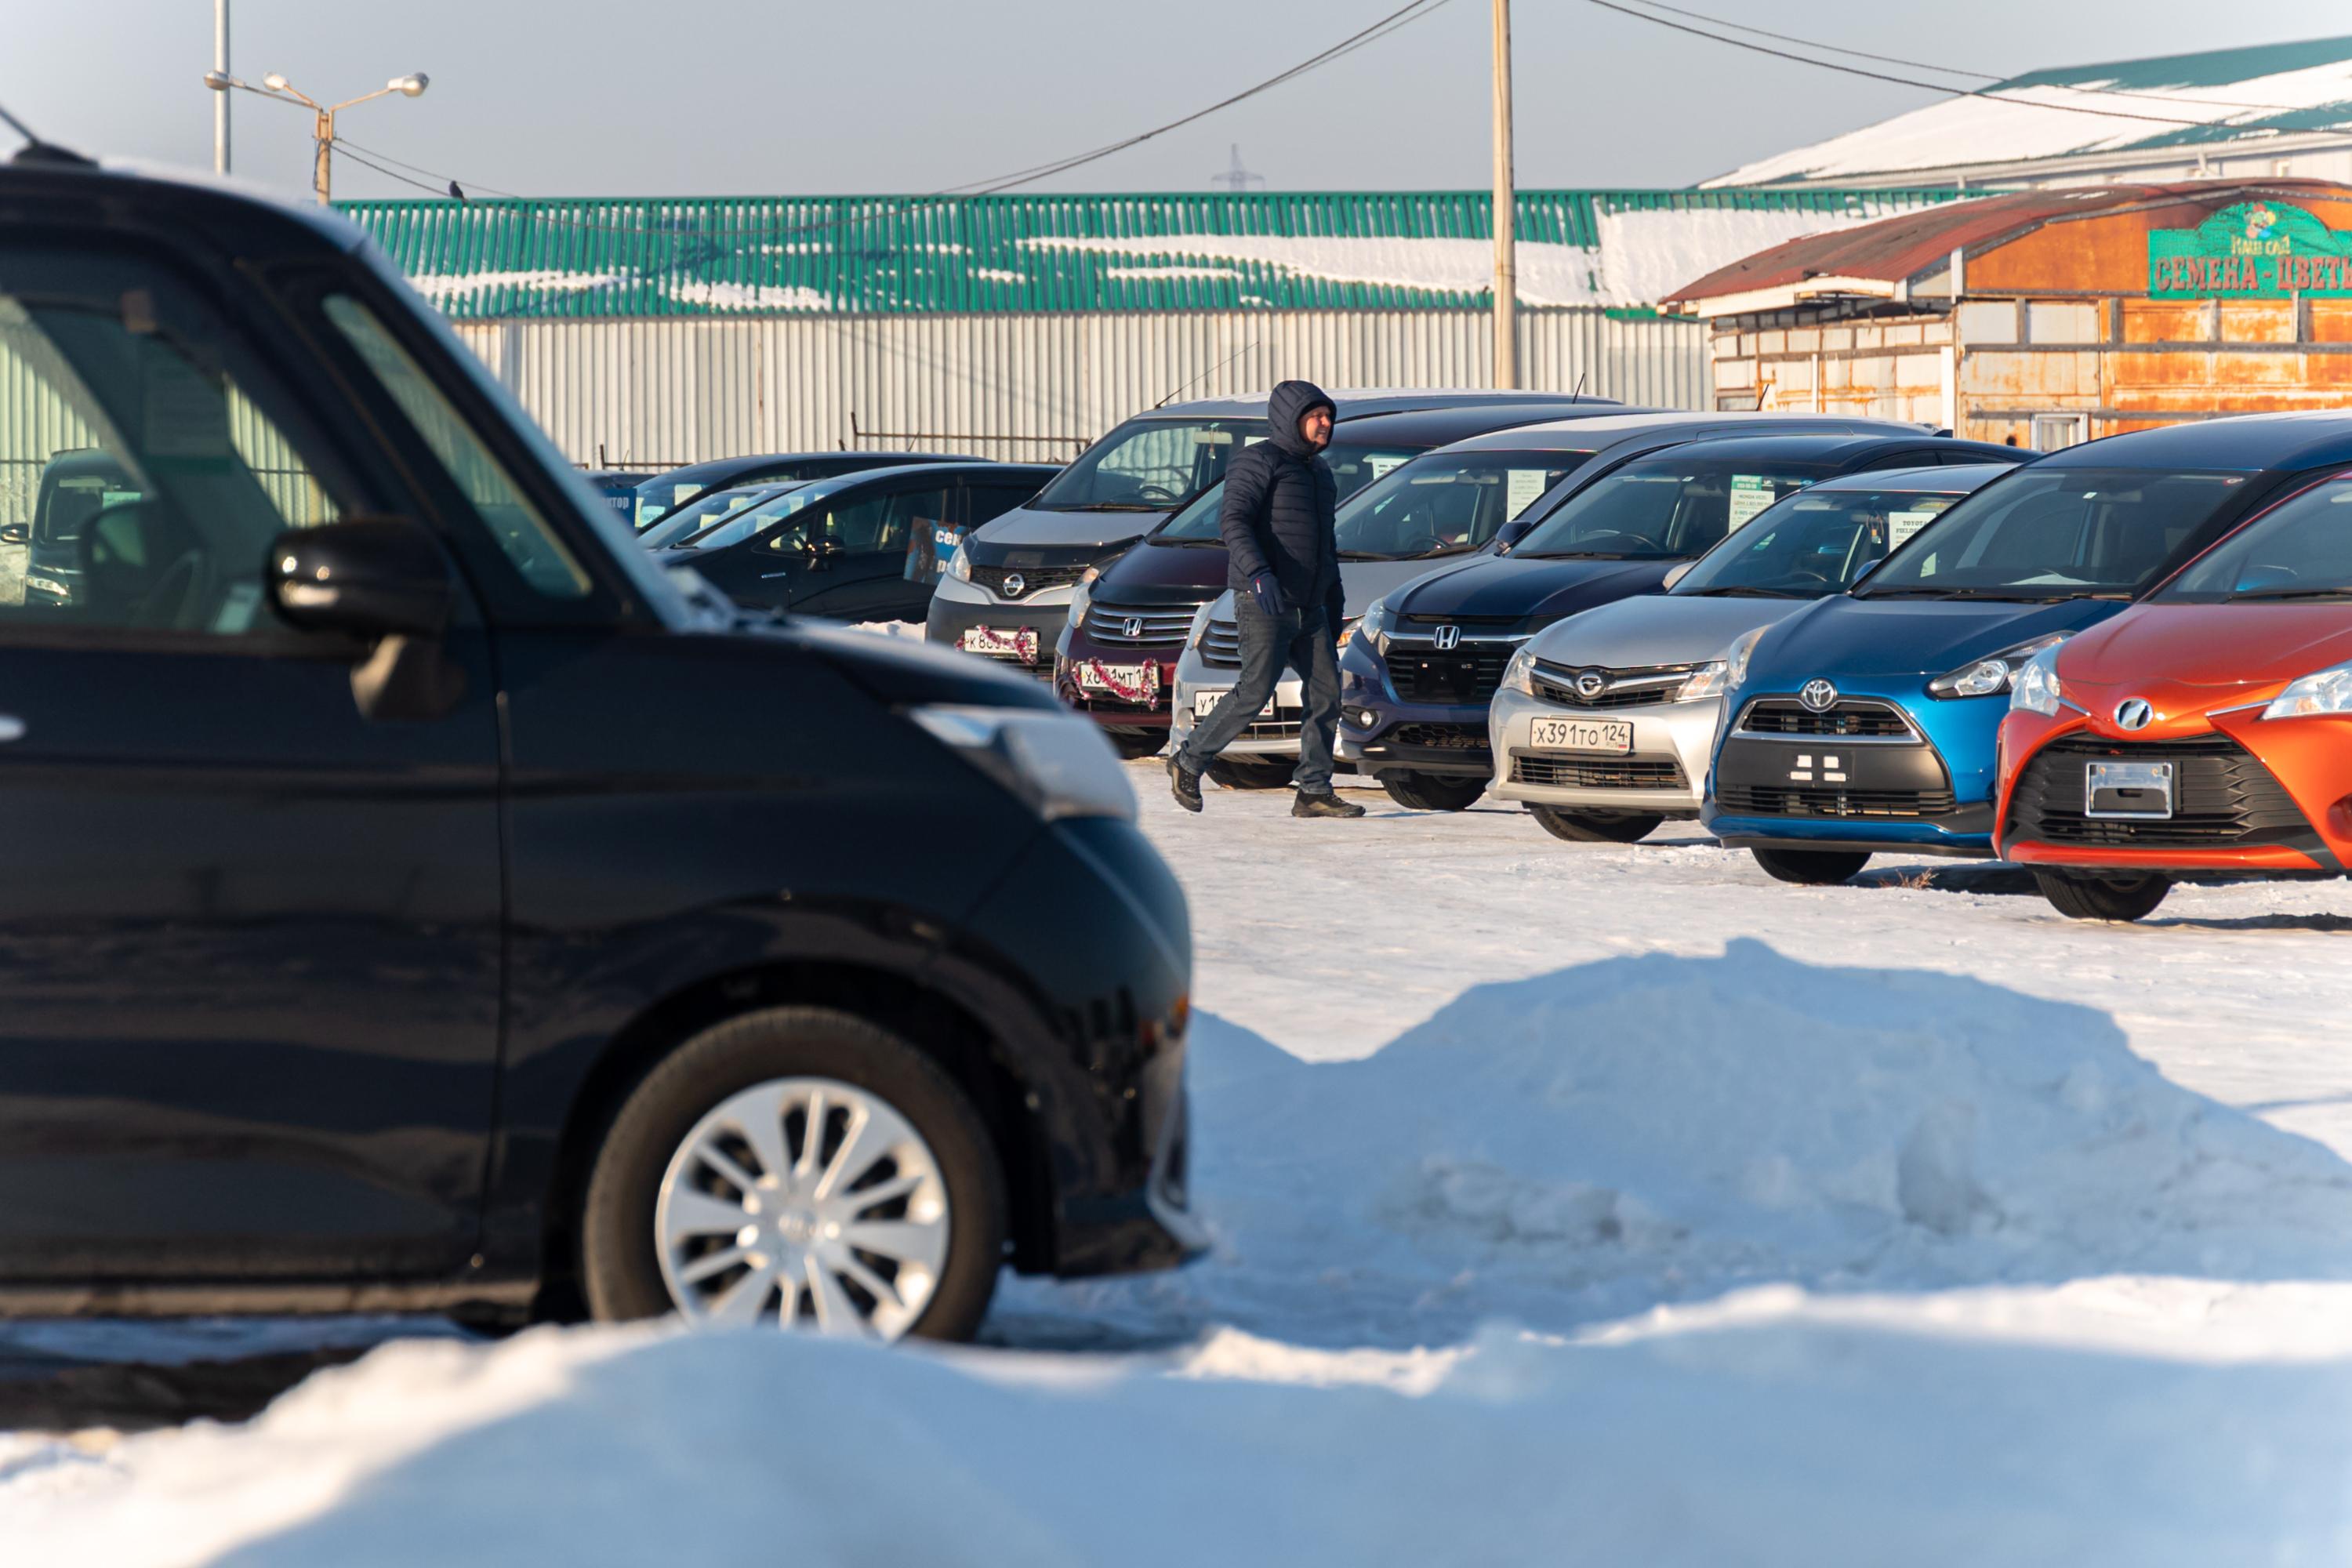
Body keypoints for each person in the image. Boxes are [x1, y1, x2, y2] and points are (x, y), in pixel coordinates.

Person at [1167, 380, 1364, 819]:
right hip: (1264, 600)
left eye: (1328, 416)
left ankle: (1313, 789)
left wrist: (1333, 601)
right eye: (1316, 417)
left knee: (1327, 692)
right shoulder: (1257, 461)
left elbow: (1324, 545)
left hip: (1310, 604)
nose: (1326, 424)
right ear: (1291, 419)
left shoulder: (1320, 473)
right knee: (1255, 689)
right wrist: (1259, 574)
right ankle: (1189, 759)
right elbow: (1233, 520)